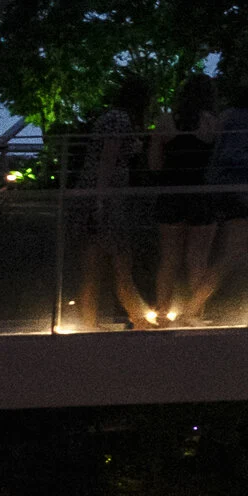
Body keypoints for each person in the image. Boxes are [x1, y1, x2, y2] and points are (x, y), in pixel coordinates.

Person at [185, 71, 248, 325]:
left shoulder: (236, 115)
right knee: (237, 254)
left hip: (238, 191)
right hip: (239, 192)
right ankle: (194, 308)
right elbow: (231, 155)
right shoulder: (246, 118)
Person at [68, 74, 155, 330]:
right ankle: (139, 317)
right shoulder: (120, 120)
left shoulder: (111, 117)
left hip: (96, 195)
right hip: (106, 198)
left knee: (93, 265)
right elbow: (108, 158)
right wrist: (101, 200)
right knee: (120, 259)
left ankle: (88, 322)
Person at [151, 77, 216, 325]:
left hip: (171, 193)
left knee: (169, 258)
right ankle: (196, 313)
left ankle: (163, 313)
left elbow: (155, 165)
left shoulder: (165, 122)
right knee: (197, 258)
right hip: (201, 194)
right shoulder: (212, 123)